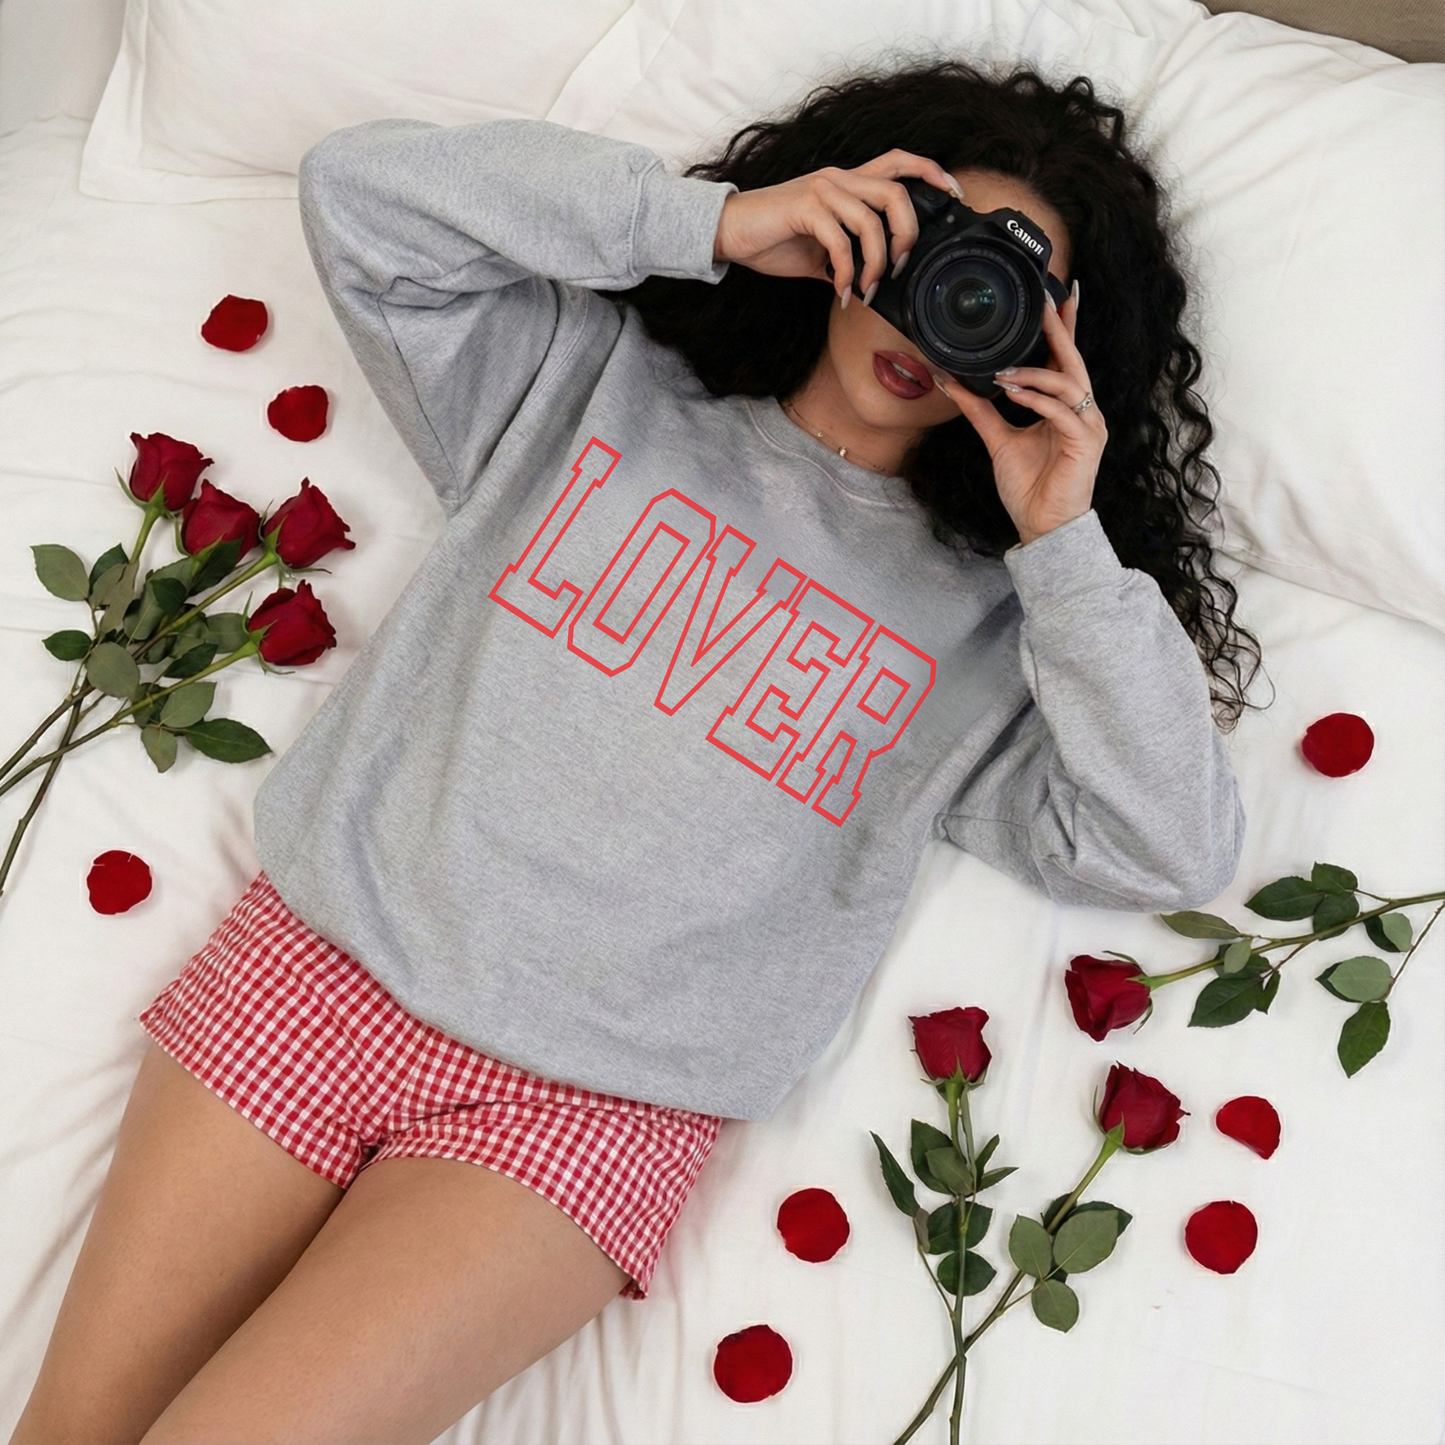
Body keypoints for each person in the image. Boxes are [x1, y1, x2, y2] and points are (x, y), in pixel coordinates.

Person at [12, 57, 1261, 1445]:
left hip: (581, 1120)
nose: (942, 310)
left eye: (1004, 296)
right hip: (324, 961)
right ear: (854, 221)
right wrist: (713, 227)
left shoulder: (1002, 625)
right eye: (927, 246)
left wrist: (1064, 539)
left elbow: (1168, 840)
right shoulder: (583, 384)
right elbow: (359, 202)